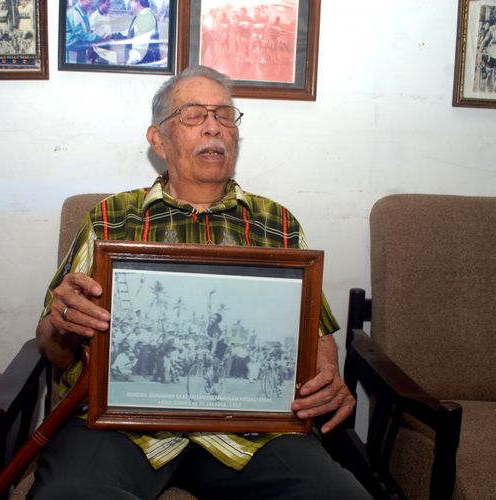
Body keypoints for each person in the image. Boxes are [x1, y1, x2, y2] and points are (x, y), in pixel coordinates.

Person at [29, 65, 369, 499]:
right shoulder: (110, 219)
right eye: (194, 115)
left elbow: (315, 335)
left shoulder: (276, 224)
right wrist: (62, 321)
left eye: (225, 115)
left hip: (250, 432)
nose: (214, 127)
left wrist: (326, 374)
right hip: (117, 428)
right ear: (158, 139)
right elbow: (54, 350)